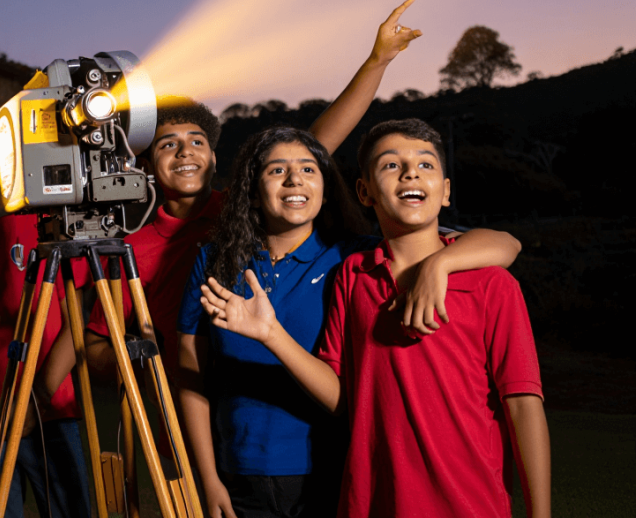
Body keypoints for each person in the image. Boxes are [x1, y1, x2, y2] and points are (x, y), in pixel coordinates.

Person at [39, 0, 430, 454]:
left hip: (260, 409)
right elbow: (88, 339)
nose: (185, 152)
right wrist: (126, 359)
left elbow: (317, 143)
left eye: (197, 142)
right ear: (144, 165)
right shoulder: (134, 247)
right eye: (168, 145)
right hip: (189, 412)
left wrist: (376, 62)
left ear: (214, 157)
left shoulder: (244, 210)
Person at [199, 119, 550, 518]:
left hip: (469, 505)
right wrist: (271, 333)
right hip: (369, 503)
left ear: (446, 191)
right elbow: (341, 398)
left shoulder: (492, 284)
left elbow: (523, 406)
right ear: (364, 192)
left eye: (425, 164)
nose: (411, 173)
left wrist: (438, 265)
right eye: (391, 164)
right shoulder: (353, 275)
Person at [0, 114, 91, 518]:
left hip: (47, 409)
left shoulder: (43, 223)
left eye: (2, 151)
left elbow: (77, 316)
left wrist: (37, 397)